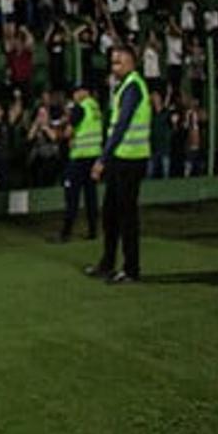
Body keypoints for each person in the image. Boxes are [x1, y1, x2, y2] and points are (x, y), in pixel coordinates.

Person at [84, 43, 151, 284]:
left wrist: (102, 159)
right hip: (121, 159)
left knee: (126, 216)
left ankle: (131, 269)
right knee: (111, 215)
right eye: (112, 62)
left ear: (132, 62)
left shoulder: (132, 87)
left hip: (130, 160)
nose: (114, 67)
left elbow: (121, 126)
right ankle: (108, 263)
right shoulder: (124, 87)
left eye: (118, 62)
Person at [56, 85, 101, 241]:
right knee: (91, 196)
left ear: (83, 92)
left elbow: (68, 132)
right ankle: (93, 231)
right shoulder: (95, 107)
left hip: (79, 157)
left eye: (76, 93)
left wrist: (60, 132)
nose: (74, 97)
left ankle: (66, 233)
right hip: (94, 156)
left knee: (72, 196)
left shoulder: (81, 108)